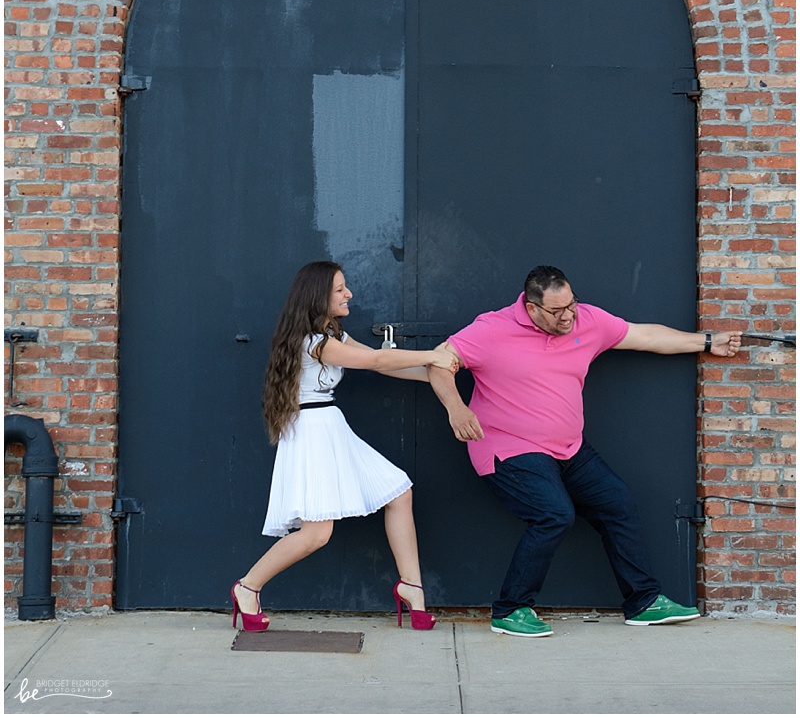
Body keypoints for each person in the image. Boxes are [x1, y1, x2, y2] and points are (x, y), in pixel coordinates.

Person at [428, 264, 743, 638]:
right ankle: (510, 609)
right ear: (531, 308)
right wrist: (456, 408)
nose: (569, 316)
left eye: (571, 304)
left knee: (617, 502)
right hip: (507, 448)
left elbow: (645, 336)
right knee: (554, 513)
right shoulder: (491, 329)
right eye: (557, 311)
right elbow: (439, 363)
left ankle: (643, 601)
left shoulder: (587, 321)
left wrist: (707, 341)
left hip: (568, 449)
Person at [231, 260, 458, 633]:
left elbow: (381, 366)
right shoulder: (315, 343)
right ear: (318, 295)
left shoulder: (331, 333)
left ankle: (412, 589)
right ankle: (247, 587)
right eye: (340, 288)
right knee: (317, 533)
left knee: (398, 491)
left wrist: (434, 373)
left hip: (330, 427)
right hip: (313, 433)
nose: (348, 293)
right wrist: (433, 355)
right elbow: (376, 358)